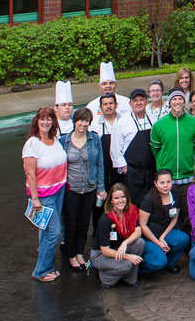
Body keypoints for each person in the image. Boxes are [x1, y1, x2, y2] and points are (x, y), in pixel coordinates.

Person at [58, 107, 106, 271]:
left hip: (90, 187)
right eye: (81, 120)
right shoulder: (64, 141)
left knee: (84, 223)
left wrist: (101, 187)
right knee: (71, 223)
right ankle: (71, 255)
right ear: (75, 121)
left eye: (87, 121)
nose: (84, 124)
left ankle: (79, 252)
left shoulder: (94, 139)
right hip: (72, 189)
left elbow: (100, 164)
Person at [149, 89, 195, 230]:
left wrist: (187, 159)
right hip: (167, 179)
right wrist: (164, 163)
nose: (177, 102)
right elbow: (155, 149)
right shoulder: (159, 125)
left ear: (184, 102)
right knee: (167, 213)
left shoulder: (194, 123)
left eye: (180, 99)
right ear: (169, 102)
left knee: (188, 212)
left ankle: (188, 244)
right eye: (174, 99)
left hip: (187, 178)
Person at [24, 108, 67, 282]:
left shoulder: (55, 139)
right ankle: (40, 270)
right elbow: (30, 174)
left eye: (49, 119)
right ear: (37, 121)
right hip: (44, 196)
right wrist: (35, 200)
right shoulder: (32, 144)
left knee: (45, 231)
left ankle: (47, 265)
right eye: (42, 119)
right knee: (54, 232)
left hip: (59, 190)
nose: (46, 122)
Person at [90, 184, 145, 288]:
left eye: (123, 197)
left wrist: (125, 243)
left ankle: (129, 279)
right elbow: (105, 250)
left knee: (140, 243)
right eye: (116, 198)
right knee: (127, 264)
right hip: (101, 255)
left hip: (118, 248)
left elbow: (138, 232)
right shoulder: (105, 219)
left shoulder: (131, 210)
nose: (120, 201)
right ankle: (105, 278)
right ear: (111, 200)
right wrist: (128, 256)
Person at [138, 169, 190, 274]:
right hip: (149, 236)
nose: (165, 185)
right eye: (162, 183)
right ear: (155, 183)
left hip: (165, 233)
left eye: (168, 182)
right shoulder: (149, 199)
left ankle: (170, 263)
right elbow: (143, 225)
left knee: (183, 239)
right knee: (159, 262)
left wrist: (162, 237)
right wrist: (158, 242)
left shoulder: (175, 194)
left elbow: (175, 218)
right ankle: (136, 269)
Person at [111, 88, 155, 205]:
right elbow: (115, 150)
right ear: (130, 103)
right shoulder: (122, 123)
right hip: (133, 173)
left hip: (151, 172)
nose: (138, 103)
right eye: (135, 100)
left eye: (141, 100)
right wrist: (125, 168)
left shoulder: (153, 119)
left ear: (146, 101)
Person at [90, 93, 123, 189]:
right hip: (104, 170)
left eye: (111, 103)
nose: (108, 107)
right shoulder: (94, 125)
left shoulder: (124, 121)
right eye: (105, 104)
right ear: (100, 107)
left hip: (122, 167)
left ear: (116, 105)